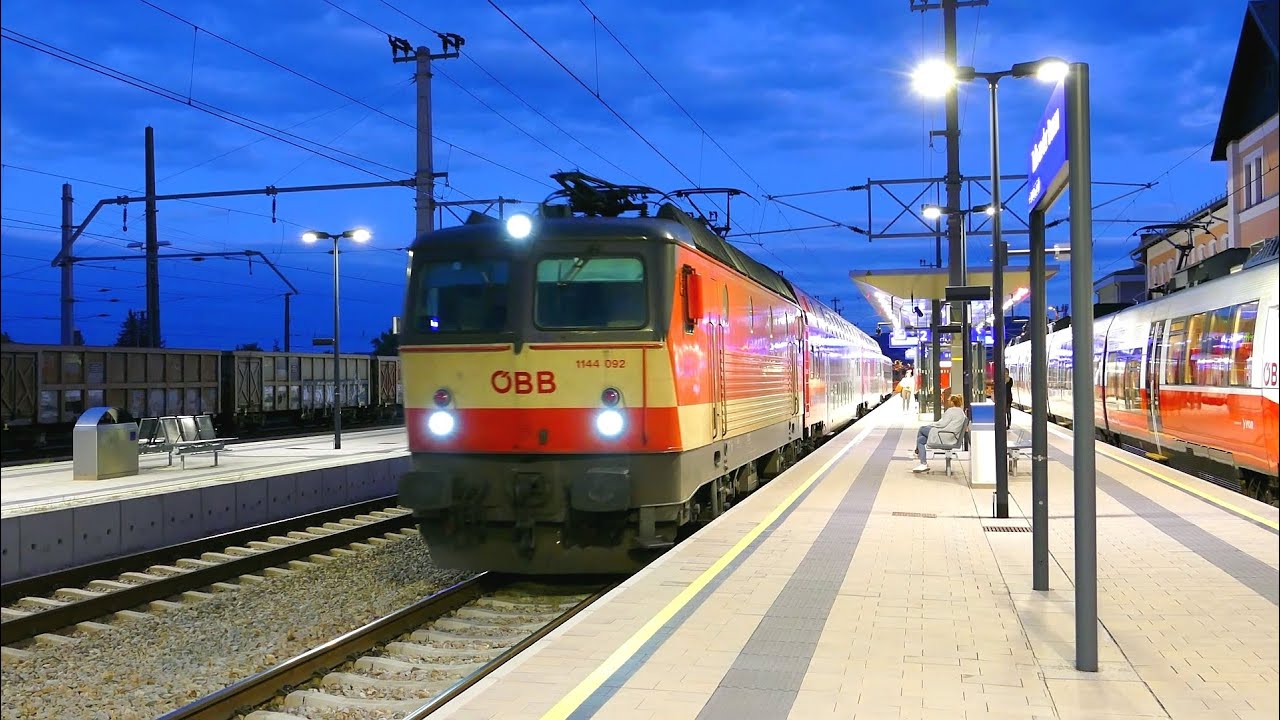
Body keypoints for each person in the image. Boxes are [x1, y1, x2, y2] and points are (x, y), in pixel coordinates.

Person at [913, 394, 967, 473]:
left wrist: (931, 425)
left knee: (922, 429)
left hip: (944, 436)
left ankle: (919, 455)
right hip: (950, 436)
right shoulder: (961, 412)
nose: (947, 402)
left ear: (952, 402)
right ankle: (922, 461)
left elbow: (942, 424)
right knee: (920, 440)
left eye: (949, 400)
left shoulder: (951, 411)